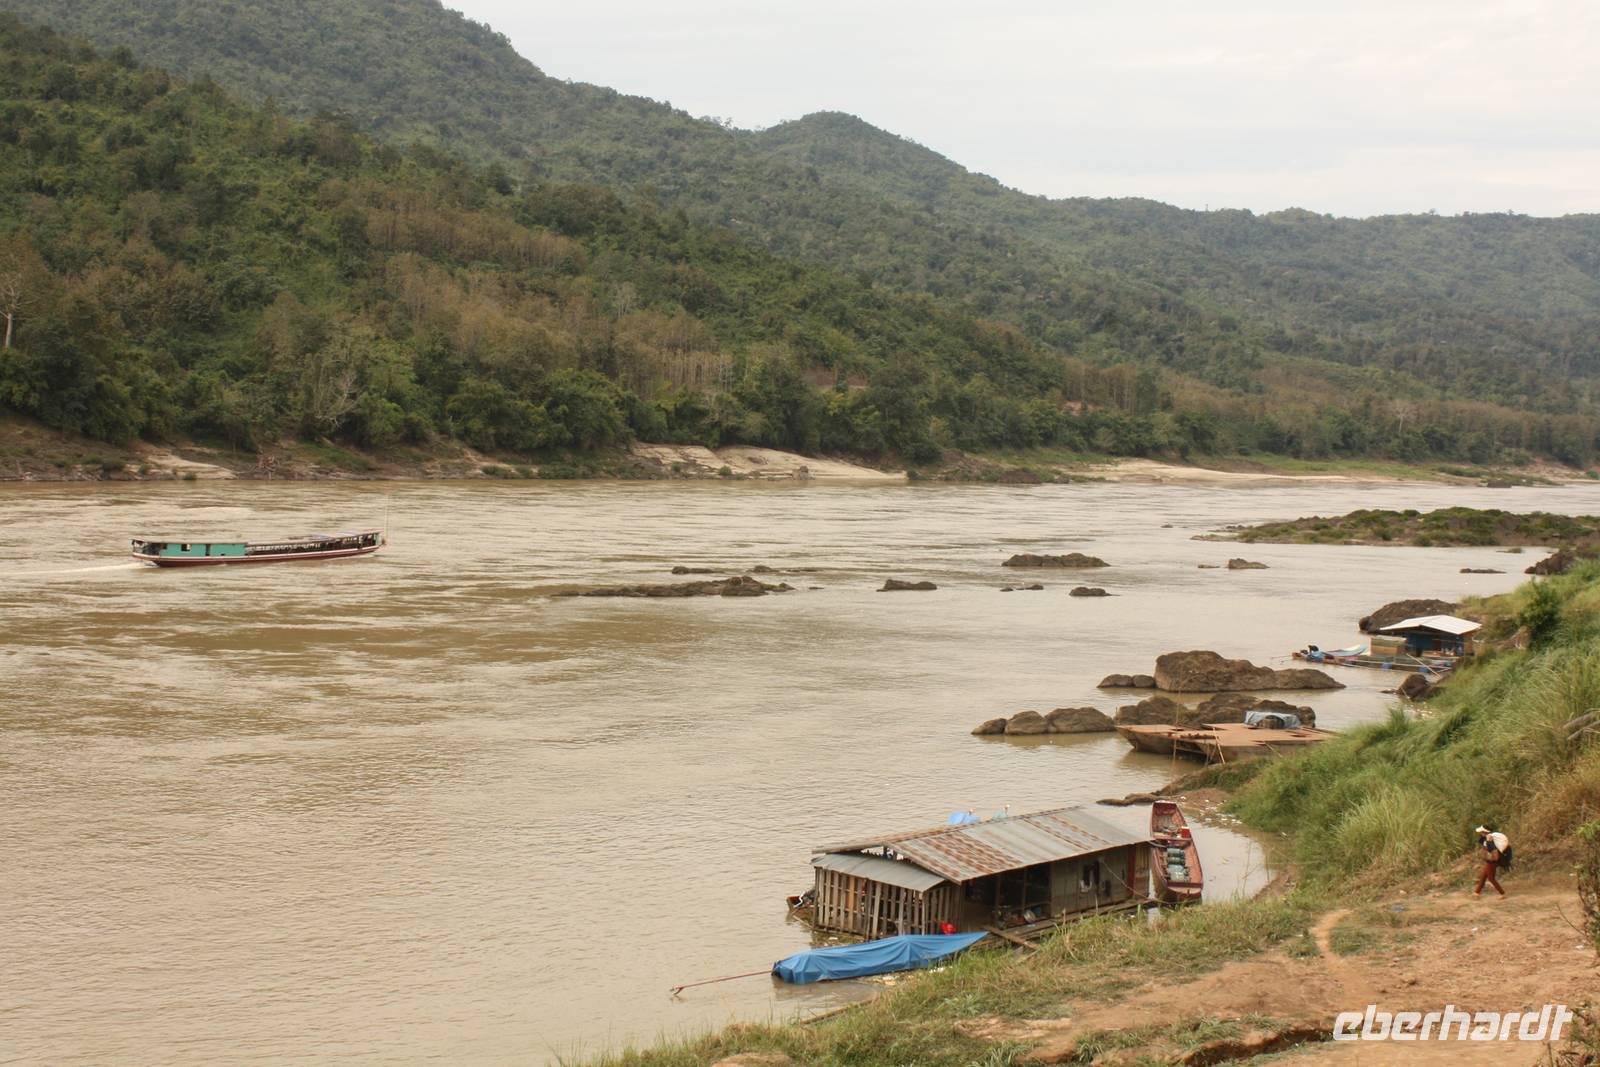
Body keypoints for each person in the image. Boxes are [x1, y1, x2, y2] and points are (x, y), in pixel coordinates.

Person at [1474, 824, 1508, 897]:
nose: (1480, 833)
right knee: (1483, 876)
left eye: (1481, 832)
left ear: (1484, 831)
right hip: (1491, 859)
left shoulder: (1489, 838)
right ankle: (1477, 893)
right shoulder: (1487, 837)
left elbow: (1491, 849)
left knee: (1491, 878)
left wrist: (1488, 843)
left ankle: (1502, 893)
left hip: (1492, 860)